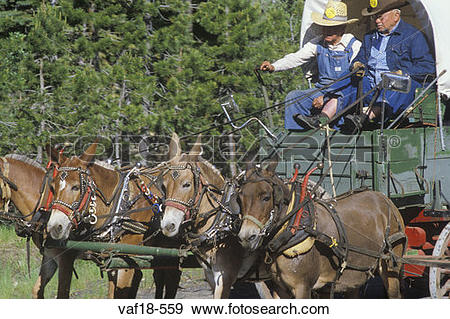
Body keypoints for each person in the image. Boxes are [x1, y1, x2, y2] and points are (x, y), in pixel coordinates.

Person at [260, 0, 361, 130]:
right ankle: (295, 138)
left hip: (344, 91)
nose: (326, 30)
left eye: (332, 27)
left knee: (337, 99)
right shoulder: (318, 43)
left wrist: (326, 97)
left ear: (342, 28)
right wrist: (274, 66)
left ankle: (323, 125)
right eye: (325, 26)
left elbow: (353, 77)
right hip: (322, 88)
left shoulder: (354, 46)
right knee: (294, 97)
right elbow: (296, 57)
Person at [339, 0, 436, 131]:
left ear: (396, 16)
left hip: (399, 91)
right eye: (374, 17)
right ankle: (325, 115)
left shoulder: (414, 36)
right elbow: (360, 59)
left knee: (395, 82)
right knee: (349, 77)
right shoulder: (369, 37)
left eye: (380, 17)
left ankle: (366, 116)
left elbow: (428, 67)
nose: (376, 21)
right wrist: (356, 64)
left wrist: (402, 73)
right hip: (373, 87)